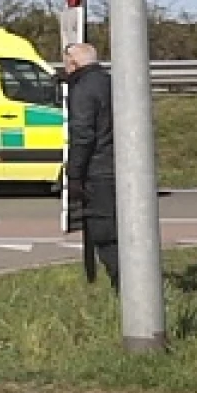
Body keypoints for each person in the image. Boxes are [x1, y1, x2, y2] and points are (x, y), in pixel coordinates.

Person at [63, 42, 121, 288]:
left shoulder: (83, 90)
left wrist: (74, 175)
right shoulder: (111, 82)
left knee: (104, 232)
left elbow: (83, 135)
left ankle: (125, 289)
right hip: (120, 166)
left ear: (73, 63)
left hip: (98, 169)